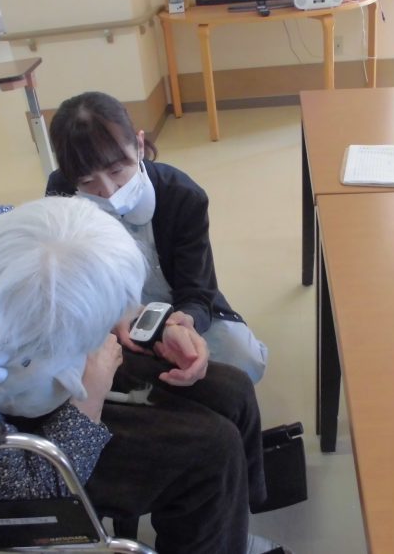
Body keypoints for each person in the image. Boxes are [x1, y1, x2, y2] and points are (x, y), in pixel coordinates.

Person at [0, 197, 284, 554]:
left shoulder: (2, 229)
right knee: (208, 452)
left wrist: (143, 322)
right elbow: (22, 495)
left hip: (5, 373)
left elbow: (80, 279)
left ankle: (229, 529)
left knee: (228, 390)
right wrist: (88, 397)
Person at [46, 91, 268, 384]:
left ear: (139, 145)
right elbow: (68, 280)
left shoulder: (182, 195)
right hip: (109, 311)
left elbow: (197, 290)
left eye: (117, 170)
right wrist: (112, 315)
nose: (109, 191)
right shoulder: (62, 192)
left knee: (244, 362)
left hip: (175, 304)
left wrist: (183, 322)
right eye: (87, 181)